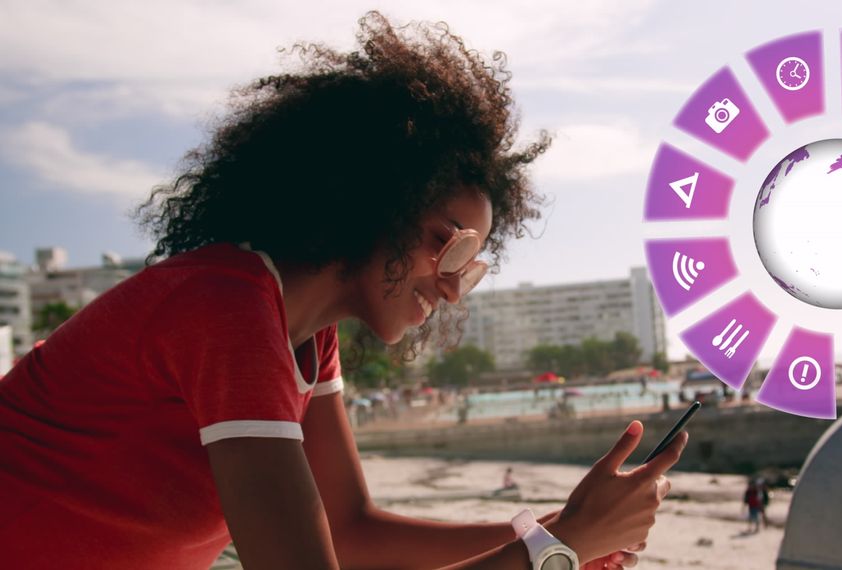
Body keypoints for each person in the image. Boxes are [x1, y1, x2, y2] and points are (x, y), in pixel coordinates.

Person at [0, 12, 687, 570]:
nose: (453, 290)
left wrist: (559, 530)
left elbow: (352, 533)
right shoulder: (223, 309)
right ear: (375, 200)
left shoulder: (305, 336)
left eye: (473, 266)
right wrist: (559, 552)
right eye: (454, 246)